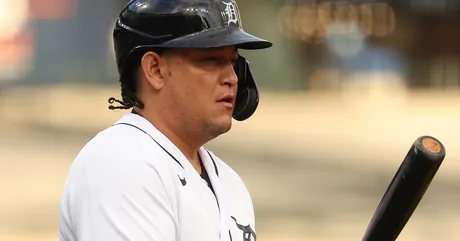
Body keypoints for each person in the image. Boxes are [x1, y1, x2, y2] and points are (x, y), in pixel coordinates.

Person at [59, 0, 272, 240]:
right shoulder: (120, 163)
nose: (232, 79)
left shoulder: (230, 182)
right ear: (155, 69)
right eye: (210, 60)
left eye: (232, 63)